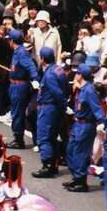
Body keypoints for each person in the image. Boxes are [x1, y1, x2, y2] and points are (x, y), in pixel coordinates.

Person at [63, 66, 105, 193]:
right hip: (78, 123)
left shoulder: (89, 91)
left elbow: (97, 108)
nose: (75, 75)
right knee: (71, 150)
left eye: (77, 74)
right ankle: (76, 176)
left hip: (86, 125)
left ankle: (81, 181)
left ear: (81, 75)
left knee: (80, 153)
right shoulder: (82, 89)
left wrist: (102, 123)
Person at [32, 47, 68, 178]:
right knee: (52, 137)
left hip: (49, 107)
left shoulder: (49, 75)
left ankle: (47, 165)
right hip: (56, 108)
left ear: (42, 59)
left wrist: (63, 105)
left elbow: (57, 92)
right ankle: (54, 164)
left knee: (44, 137)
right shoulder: (59, 70)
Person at [5, 29, 39, 150]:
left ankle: (19, 140)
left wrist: (34, 78)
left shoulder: (21, 53)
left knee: (18, 112)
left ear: (12, 41)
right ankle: (18, 137)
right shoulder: (17, 52)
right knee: (17, 111)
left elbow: (30, 65)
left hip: (19, 86)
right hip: (15, 85)